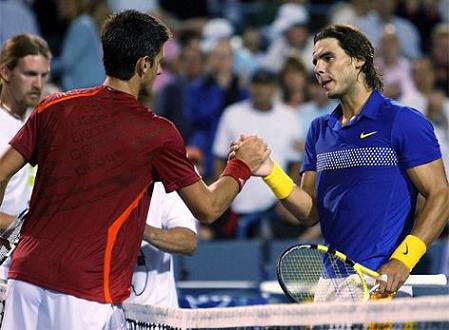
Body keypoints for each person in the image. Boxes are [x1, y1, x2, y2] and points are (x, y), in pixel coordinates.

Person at [0, 10, 268, 330]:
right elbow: (208, 207)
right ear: (143, 64)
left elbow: (1, 173)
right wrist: (241, 167)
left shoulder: (52, 107)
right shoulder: (157, 133)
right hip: (84, 294)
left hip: (24, 279)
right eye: (158, 62)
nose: (158, 71)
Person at [239, 24, 449, 298]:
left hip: (381, 285)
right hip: (330, 286)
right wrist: (269, 172)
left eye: (328, 58)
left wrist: (404, 260)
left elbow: (440, 195)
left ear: (359, 59)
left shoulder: (403, 121)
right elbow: (310, 212)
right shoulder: (318, 130)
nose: (318, 68)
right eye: (315, 61)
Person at [0, 34, 51, 279]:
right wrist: (30, 227)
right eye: (30, 74)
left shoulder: (42, 123)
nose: (38, 84)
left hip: (28, 266)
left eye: (44, 75)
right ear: (6, 72)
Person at [126, 182, 197, 307]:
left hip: (156, 315)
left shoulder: (162, 182)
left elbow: (188, 241)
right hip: (106, 312)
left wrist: (140, 228)